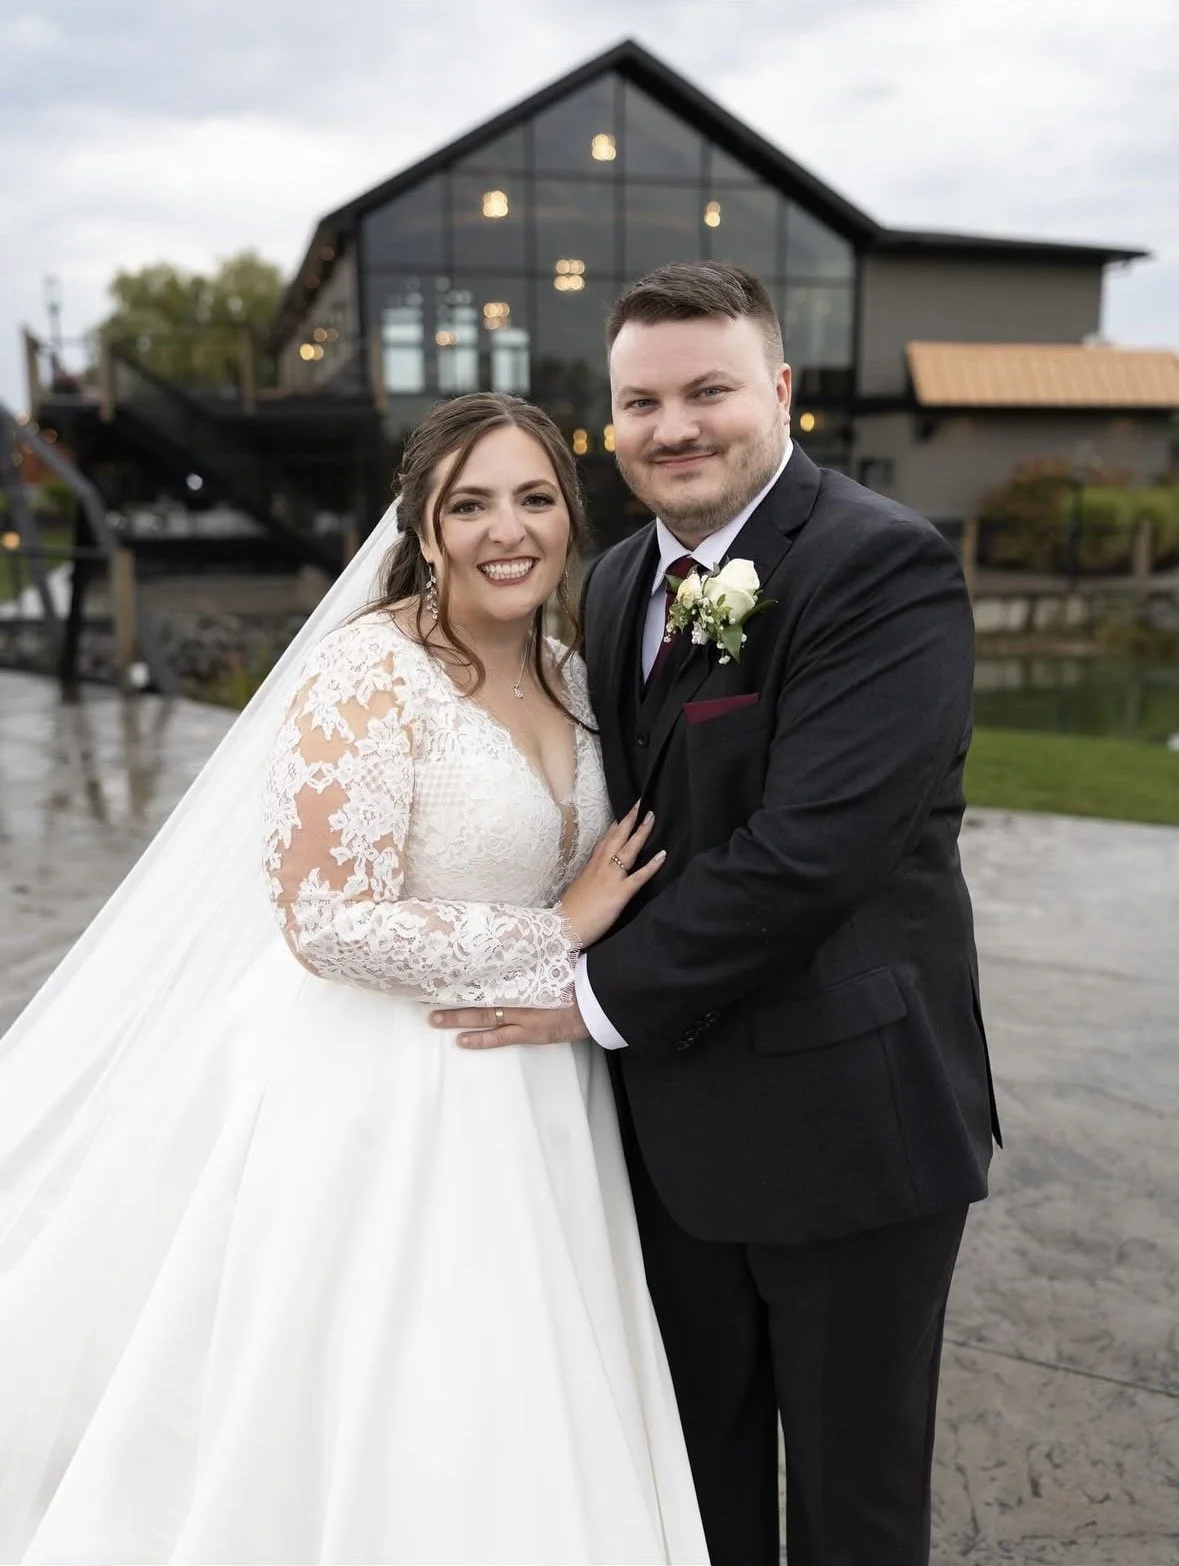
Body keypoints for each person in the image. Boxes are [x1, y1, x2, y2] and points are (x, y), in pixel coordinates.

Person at [0, 393, 709, 1564]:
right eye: (469, 503)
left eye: (534, 498)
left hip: (540, 1092)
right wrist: (562, 929)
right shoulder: (368, 676)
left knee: (531, 1392)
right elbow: (324, 920)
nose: (507, 529)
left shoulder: (576, 675)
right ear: (422, 527)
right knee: (393, 1394)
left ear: (570, 516)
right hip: (386, 1093)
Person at [429, 262, 1002, 1566]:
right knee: (695, 1488)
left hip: (847, 1125)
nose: (672, 426)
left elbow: (807, 852)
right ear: (611, 423)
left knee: (852, 1508)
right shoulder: (618, 578)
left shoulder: (877, 567)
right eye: (641, 402)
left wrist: (578, 996)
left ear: (780, 393)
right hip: (668, 1134)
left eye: (707, 391)